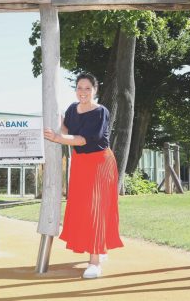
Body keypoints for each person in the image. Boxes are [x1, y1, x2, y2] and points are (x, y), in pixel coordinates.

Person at [44, 72, 123, 279]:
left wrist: (58, 138)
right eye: (80, 87)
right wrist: (58, 122)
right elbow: (68, 128)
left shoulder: (101, 112)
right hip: (80, 164)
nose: (83, 92)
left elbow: (83, 140)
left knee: (95, 209)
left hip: (100, 164)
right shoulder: (72, 109)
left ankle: (95, 262)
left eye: (88, 88)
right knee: (82, 208)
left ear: (95, 90)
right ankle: (99, 248)